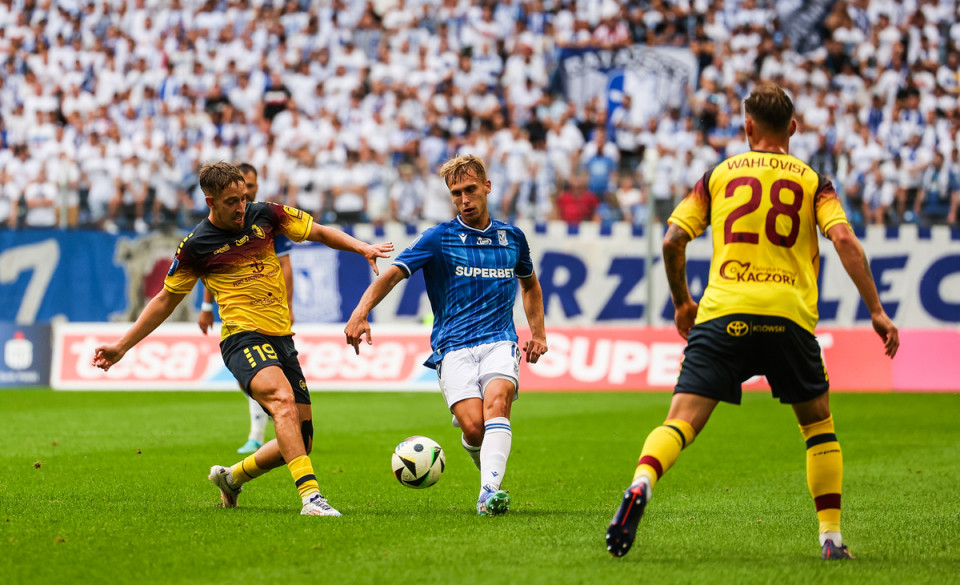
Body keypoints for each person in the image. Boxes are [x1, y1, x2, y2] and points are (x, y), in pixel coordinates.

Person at [605, 85, 899, 560]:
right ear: (793, 128)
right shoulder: (813, 181)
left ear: (747, 128)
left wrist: (683, 303)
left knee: (680, 421)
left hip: (723, 312)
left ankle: (642, 481)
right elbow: (844, 240)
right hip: (788, 317)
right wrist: (877, 311)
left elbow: (672, 239)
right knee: (818, 425)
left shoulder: (718, 175)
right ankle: (831, 539)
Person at [93, 162, 393, 516]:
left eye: (244, 198)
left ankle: (232, 478)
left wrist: (362, 247)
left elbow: (319, 232)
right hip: (242, 338)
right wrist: (121, 346)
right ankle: (312, 499)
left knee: (301, 439)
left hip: (281, 338)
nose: (241, 207)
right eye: (232, 201)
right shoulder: (195, 245)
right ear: (211, 201)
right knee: (282, 400)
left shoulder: (266, 214)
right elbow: (164, 300)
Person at [344, 154, 548, 516]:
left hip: (500, 339)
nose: (464, 200)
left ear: (487, 187)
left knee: (498, 403)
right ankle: (487, 472)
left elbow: (529, 284)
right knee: (475, 427)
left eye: (470, 189)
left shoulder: (512, 237)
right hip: (453, 346)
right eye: (456, 193)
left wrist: (538, 333)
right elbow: (392, 275)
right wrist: (360, 313)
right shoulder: (439, 238)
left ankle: (487, 494)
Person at [197, 163, 290, 454]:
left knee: (273, 378)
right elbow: (213, 270)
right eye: (240, 188)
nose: (245, 193)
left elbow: (285, 266)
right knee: (248, 377)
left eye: (249, 188)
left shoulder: (267, 219)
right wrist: (206, 306)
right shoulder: (218, 224)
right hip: (239, 317)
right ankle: (265, 430)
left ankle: (263, 432)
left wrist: (287, 305)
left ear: (256, 187)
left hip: (270, 311)